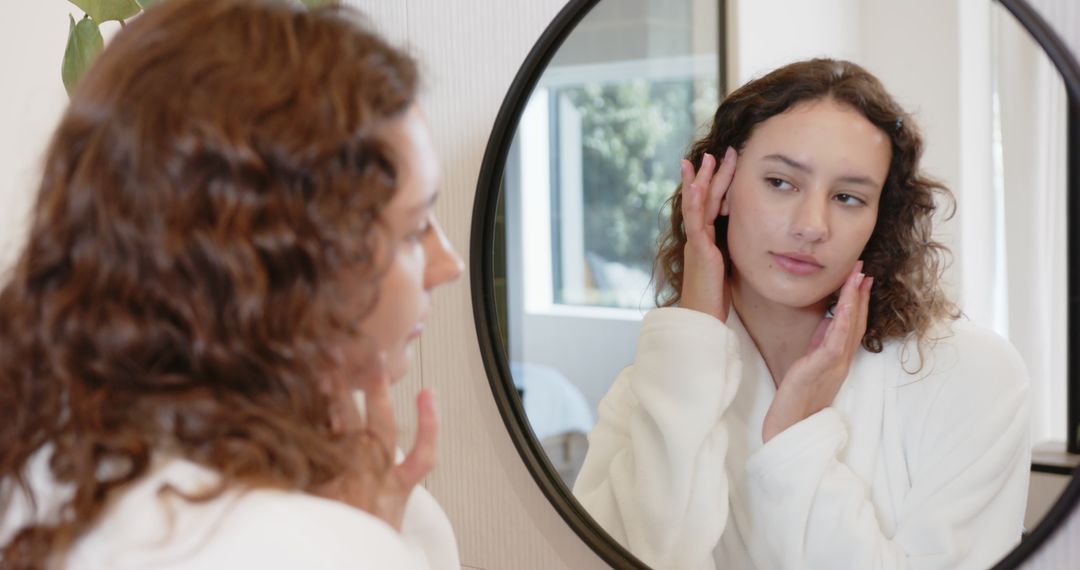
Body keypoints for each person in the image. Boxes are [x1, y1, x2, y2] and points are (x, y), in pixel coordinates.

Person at [0, 0, 463, 568]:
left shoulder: (46, 463)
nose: (450, 265)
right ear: (282, 258)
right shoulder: (306, 547)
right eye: (416, 230)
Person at [573, 58, 1031, 570]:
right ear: (718, 189)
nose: (812, 225)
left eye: (848, 197)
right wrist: (694, 332)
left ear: (880, 220)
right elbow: (627, 557)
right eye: (781, 183)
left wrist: (799, 436)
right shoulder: (653, 388)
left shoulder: (971, 374)